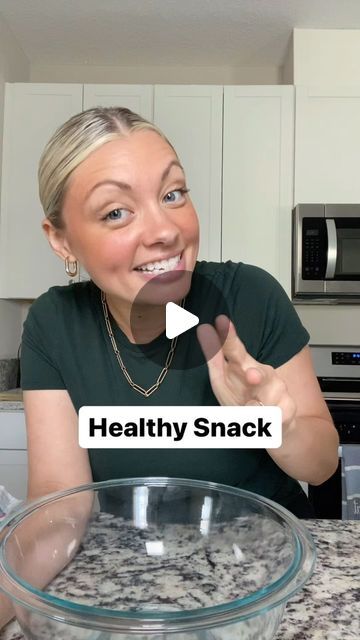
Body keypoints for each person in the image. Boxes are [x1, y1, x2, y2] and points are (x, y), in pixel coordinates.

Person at [20, 106, 338, 517]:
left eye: (173, 195)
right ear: (61, 239)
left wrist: (278, 427)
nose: (166, 231)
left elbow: (322, 465)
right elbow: (57, 498)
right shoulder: (54, 323)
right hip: (141, 563)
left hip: (272, 555)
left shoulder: (251, 295)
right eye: (116, 212)